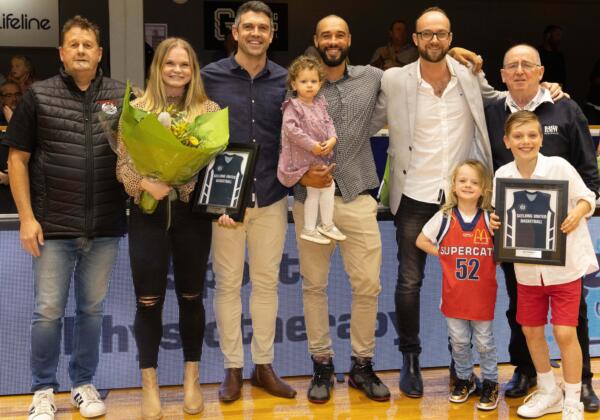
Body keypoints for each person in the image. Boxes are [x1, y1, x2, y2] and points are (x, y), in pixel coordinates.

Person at [371, 6, 505, 398]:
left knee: (464, 279)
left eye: (441, 34)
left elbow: (500, 100)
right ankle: (410, 360)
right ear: (414, 40)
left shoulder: (468, 75)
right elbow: (368, 115)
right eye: (426, 34)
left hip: (464, 202)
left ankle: (458, 365)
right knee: (409, 282)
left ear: (450, 38)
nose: (433, 40)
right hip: (414, 196)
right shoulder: (394, 79)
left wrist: (546, 91)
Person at [5, 16, 126, 420]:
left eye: (87, 44)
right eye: (72, 44)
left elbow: (138, 154)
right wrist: (26, 218)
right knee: (48, 312)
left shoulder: (121, 95)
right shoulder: (37, 96)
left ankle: (83, 384)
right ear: (61, 52)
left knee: (92, 311)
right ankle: (42, 390)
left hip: (105, 227)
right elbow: (17, 160)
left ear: (99, 53)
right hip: (52, 228)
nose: (80, 50)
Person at [485, 43, 600, 412]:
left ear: (540, 71)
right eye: (512, 66)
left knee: (569, 324)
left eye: (527, 65)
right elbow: (496, 200)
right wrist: (494, 219)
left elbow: (587, 183)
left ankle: (578, 388)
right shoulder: (492, 117)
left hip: (562, 252)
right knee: (525, 318)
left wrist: (581, 209)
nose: (519, 71)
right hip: (522, 255)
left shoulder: (564, 109)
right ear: (501, 75)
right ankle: (538, 380)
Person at [290, 14, 391, 404]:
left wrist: (459, 53)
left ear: (349, 38)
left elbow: (421, 74)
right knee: (314, 286)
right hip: (310, 200)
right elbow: (284, 139)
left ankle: (362, 366)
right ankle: (322, 365)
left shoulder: (373, 77)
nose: (333, 41)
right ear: (315, 39)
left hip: (357, 197)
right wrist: (300, 177)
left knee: (367, 285)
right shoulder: (297, 83)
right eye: (326, 35)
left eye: (339, 34)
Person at [116, 37, 217, 419]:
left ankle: (192, 379)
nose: (177, 71)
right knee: (149, 302)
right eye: (170, 64)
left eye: (185, 65)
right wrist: (145, 185)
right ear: (158, 67)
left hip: (192, 217)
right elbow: (124, 165)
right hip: (148, 216)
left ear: (194, 70)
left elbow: (215, 169)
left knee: (191, 297)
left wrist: (187, 183)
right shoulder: (137, 109)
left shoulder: (207, 111)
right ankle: (150, 385)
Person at [201, 1, 296, 402]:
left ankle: (264, 366)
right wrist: (217, 200)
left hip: (272, 198)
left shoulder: (286, 80)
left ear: (271, 35)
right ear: (235, 32)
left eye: (263, 27)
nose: (256, 33)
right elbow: (197, 139)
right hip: (226, 205)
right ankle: (232, 370)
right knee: (225, 287)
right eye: (248, 27)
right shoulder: (209, 77)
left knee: (265, 286)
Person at [416, 160, 499, 410]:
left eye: (474, 182)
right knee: (459, 342)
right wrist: (444, 253)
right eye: (462, 181)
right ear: (453, 186)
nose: (468, 185)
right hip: (453, 296)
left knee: (484, 342)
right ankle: (464, 379)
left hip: (482, 296)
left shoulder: (490, 219)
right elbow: (421, 240)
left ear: (484, 188)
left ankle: (491, 382)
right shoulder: (444, 217)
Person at [277, 55, 345, 245]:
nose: (309, 85)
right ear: (294, 84)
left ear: (320, 83)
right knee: (324, 187)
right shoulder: (293, 106)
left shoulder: (320, 105)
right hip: (301, 158)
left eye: (313, 81)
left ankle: (318, 226)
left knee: (320, 189)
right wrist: (312, 145)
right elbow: (290, 130)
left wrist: (332, 139)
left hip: (318, 157)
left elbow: (329, 123)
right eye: (304, 81)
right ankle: (319, 225)